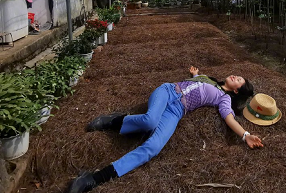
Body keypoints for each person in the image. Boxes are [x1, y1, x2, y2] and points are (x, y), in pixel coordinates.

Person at [67, 66, 263, 193]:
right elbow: (197, 81)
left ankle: (93, 179)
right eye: (238, 76)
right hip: (168, 91)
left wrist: (245, 135)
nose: (235, 76)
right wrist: (195, 74)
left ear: (236, 91)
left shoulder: (224, 98)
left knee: (153, 147)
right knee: (150, 121)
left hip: (177, 110)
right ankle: (114, 121)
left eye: (239, 80)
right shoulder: (208, 78)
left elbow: (229, 118)